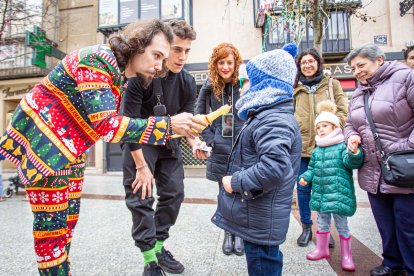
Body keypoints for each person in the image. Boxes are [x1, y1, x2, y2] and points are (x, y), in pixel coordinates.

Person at [0, 19, 206, 275]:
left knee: (66, 227)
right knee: (52, 234)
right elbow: (108, 126)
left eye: (163, 58)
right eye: (156, 55)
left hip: (70, 152)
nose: (160, 65)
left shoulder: (118, 76)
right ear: (138, 44)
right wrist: (167, 126)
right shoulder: (98, 60)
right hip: (45, 150)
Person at [121, 19, 208, 276]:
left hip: (169, 142)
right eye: (177, 50)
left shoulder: (188, 82)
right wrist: (140, 166)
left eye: (187, 51)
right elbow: (127, 125)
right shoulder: (141, 76)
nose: (181, 57)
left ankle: (159, 247)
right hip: (140, 143)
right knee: (141, 196)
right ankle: (149, 260)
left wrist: (195, 141)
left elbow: (187, 122)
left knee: (174, 194)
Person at [212, 43, 302, 276]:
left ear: (265, 84)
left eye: (246, 82)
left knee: (263, 265)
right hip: (259, 213)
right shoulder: (267, 114)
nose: (241, 89)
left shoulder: (273, 119)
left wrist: (236, 181)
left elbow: (274, 168)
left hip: (262, 216)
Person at [345, 43, 414, 276]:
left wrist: (406, 148)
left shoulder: (406, 78)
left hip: (404, 167)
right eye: (353, 68)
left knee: (408, 226)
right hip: (373, 170)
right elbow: (349, 124)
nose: (357, 72)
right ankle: (392, 263)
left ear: (380, 60)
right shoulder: (359, 91)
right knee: (385, 224)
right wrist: (352, 136)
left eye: (361, 65)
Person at [298, 100, 363, 271]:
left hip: (339, 194)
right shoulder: (317, 150)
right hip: (321, 194)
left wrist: (355, 153)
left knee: (342, 225)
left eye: (324, 126)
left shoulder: (342, 146)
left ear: (334, 127)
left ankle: (346, 256)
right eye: (318, 127)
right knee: (322, 222)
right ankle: (322, 249)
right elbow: (311, 168)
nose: (320, 130)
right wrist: (305, 177)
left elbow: (350, 163)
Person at [293, 48, 348, 247]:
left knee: (325, 190)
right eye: (303, 62)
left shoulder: (332, 84)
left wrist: (331, 126)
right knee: (303, 188)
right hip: (302, 149)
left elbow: (343, 110)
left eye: (311, 61)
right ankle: (306, 227)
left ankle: (324, 230)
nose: (307, 65)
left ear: (318, 63)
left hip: (328, 148)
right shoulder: (294, 88)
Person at [196, 43, 246, 256]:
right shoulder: (209, 86)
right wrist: (210, 138)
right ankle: (228, 232)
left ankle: (241, 233)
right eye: (221, 62)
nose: (225, 67)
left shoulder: (244, 84)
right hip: (221, 148)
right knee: (223, 192)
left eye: (229, 62)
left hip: (243, 146)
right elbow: (198, 114)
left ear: (235, 64)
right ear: (215, 64)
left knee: (243, 190)